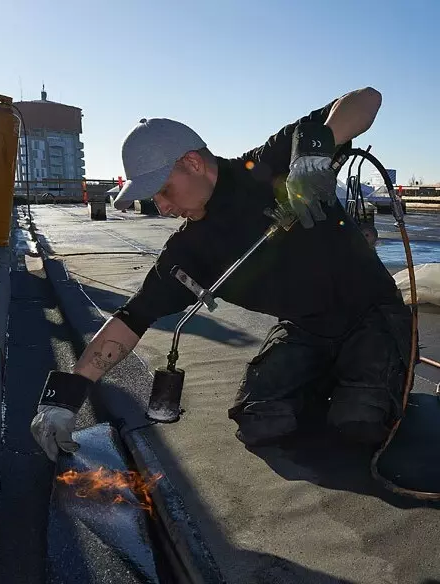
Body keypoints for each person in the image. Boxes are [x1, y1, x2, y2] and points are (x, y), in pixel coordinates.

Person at [31, 88, 414, 461]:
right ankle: (335, 379)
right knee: (260, 422)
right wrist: (67, 395)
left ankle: (373, 375)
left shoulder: (267, 166)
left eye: (164, 191)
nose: (161, 208)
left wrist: (312, 155)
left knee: (359, 421)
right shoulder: (189, 251)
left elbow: (366, 100)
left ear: (193, 163)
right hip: (308, 329)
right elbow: (134, 316)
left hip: (371, 314)